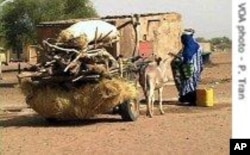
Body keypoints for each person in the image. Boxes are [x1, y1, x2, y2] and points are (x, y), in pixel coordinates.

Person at [171, 28, 203, 106]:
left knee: (189, 84)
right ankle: (188, 98)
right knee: (190, 84)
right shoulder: (196, 45)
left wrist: (179, 59)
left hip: (190, 69)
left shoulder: (191, 47)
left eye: (184, 38)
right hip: (194, 69)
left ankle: (190, 99)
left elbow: (187, 58)